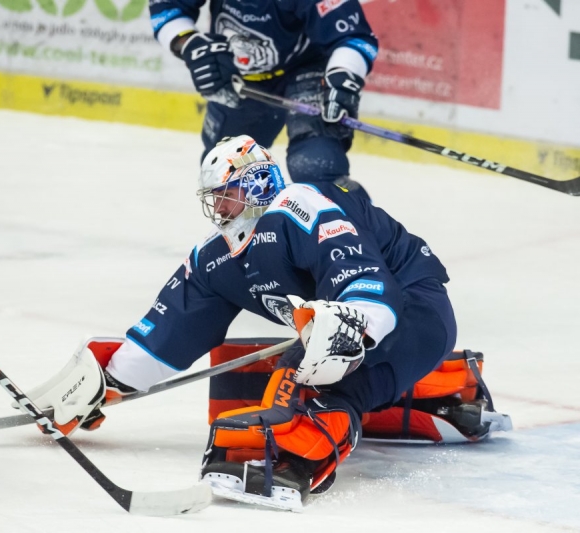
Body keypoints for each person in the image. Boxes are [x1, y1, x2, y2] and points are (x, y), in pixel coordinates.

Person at [31, 135, 464, 510]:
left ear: (256, 184)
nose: (220, 207)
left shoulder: (298, 205)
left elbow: (361, 278)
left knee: (306, 374)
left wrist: (353, 324)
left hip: (413, 307)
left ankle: (293, 460)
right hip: (366, 320)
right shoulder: (215, 256)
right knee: (282, 365)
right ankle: (431, 388)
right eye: (215, 198)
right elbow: (175, 326)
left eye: (227, 194)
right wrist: (110, 381)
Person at [149, 0, 378, 199]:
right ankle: (259, 235)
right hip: (238, 75)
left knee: (316, 166)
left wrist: (343, 74)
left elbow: (353, 36)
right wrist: (191, 44)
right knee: (226, 175)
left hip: (306, 68)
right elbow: (167, 7)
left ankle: (359, 229)